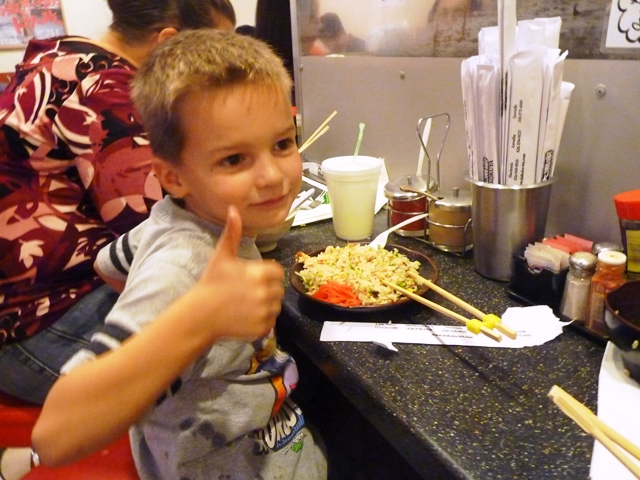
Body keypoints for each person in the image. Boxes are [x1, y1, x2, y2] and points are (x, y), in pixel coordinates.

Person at [31, 29, 327, 479]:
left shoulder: (171, 217)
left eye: (283, 144)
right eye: (234, 159)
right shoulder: (183, 268)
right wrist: (198, 318)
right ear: (173, 177)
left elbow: (108, 262)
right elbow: (55, 436)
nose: (272, 175)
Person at [0, 0, 236, 405]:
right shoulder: (106, 89)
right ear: (167, 43)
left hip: (23, 305)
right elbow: (159, 230)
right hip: (38, 323)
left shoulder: (60, 57)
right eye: (215, 54)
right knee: (229, 359)